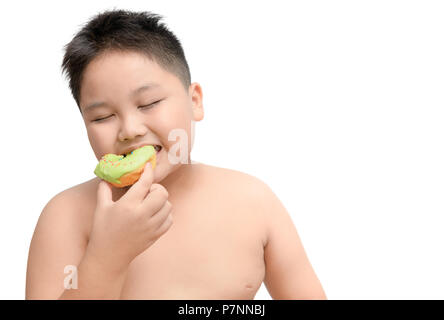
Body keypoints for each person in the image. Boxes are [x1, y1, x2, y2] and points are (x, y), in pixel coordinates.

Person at [25, 9, 326, 300]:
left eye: (149, 103)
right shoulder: (66, 217)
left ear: (194, 100)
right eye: (102, 117)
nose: (129, 129)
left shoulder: (254, 202)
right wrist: (106, 257)